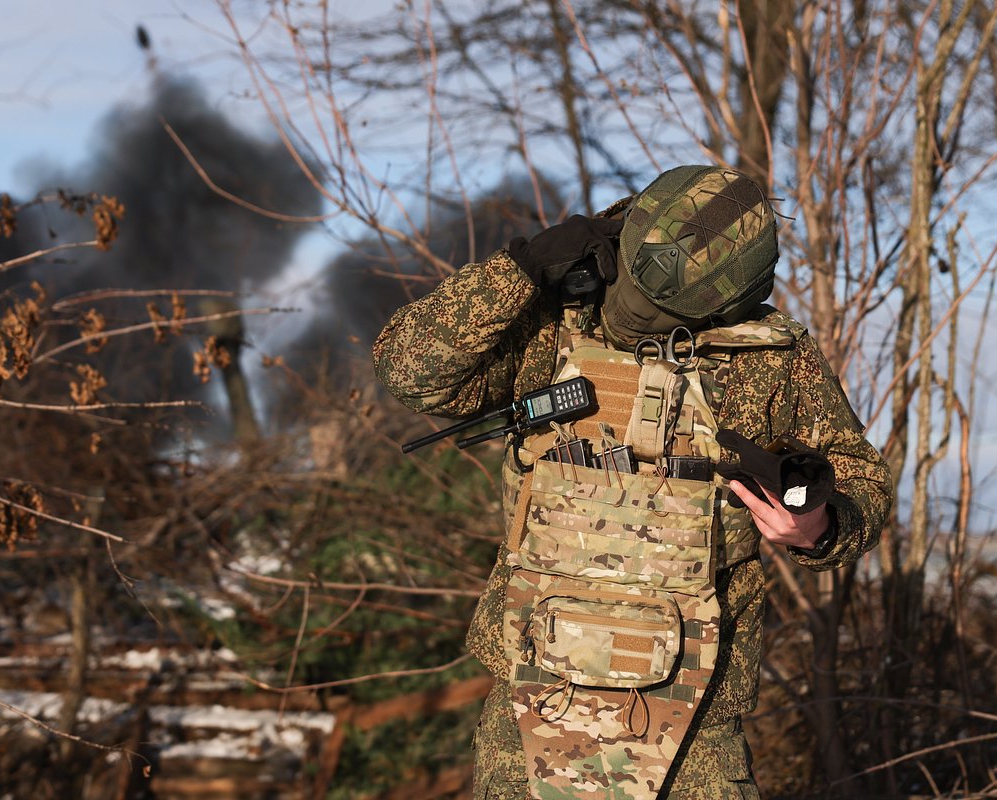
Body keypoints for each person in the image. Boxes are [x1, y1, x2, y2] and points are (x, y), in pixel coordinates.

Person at [373, 166, 892, 799]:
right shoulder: (547, 318)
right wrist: (521, 267)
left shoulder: (770, 359)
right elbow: (409, 370)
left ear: (729, 301)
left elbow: (863, 478)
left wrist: (820, 525)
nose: (636, 315)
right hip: (536, 686)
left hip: (697, 708)